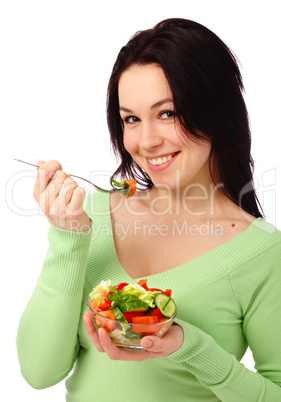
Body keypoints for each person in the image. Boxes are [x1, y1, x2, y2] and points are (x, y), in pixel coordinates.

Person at [16, 18, 281, 401]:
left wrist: (190, 346)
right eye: (132, 119)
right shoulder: (88, 217)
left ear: (216, 110)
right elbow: (38, 373)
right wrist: (68, 239)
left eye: (168, 113)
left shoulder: (262, 252)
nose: (146, 141)